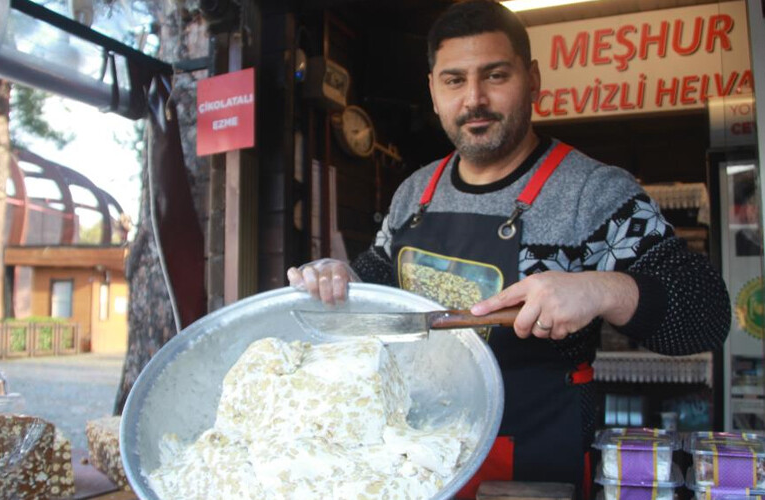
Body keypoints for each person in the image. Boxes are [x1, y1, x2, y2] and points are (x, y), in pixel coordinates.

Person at [288, 0, 730, 496]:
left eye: (495, 76)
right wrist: (341, 278)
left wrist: (604, 289)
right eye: (454, 80)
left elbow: (707, 314)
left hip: (533, 462)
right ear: (433, 91)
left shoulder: (594, 193)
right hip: (415, 455)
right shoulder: (416, 191)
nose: (474, 99)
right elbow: (381, 277)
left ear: (534, 80)